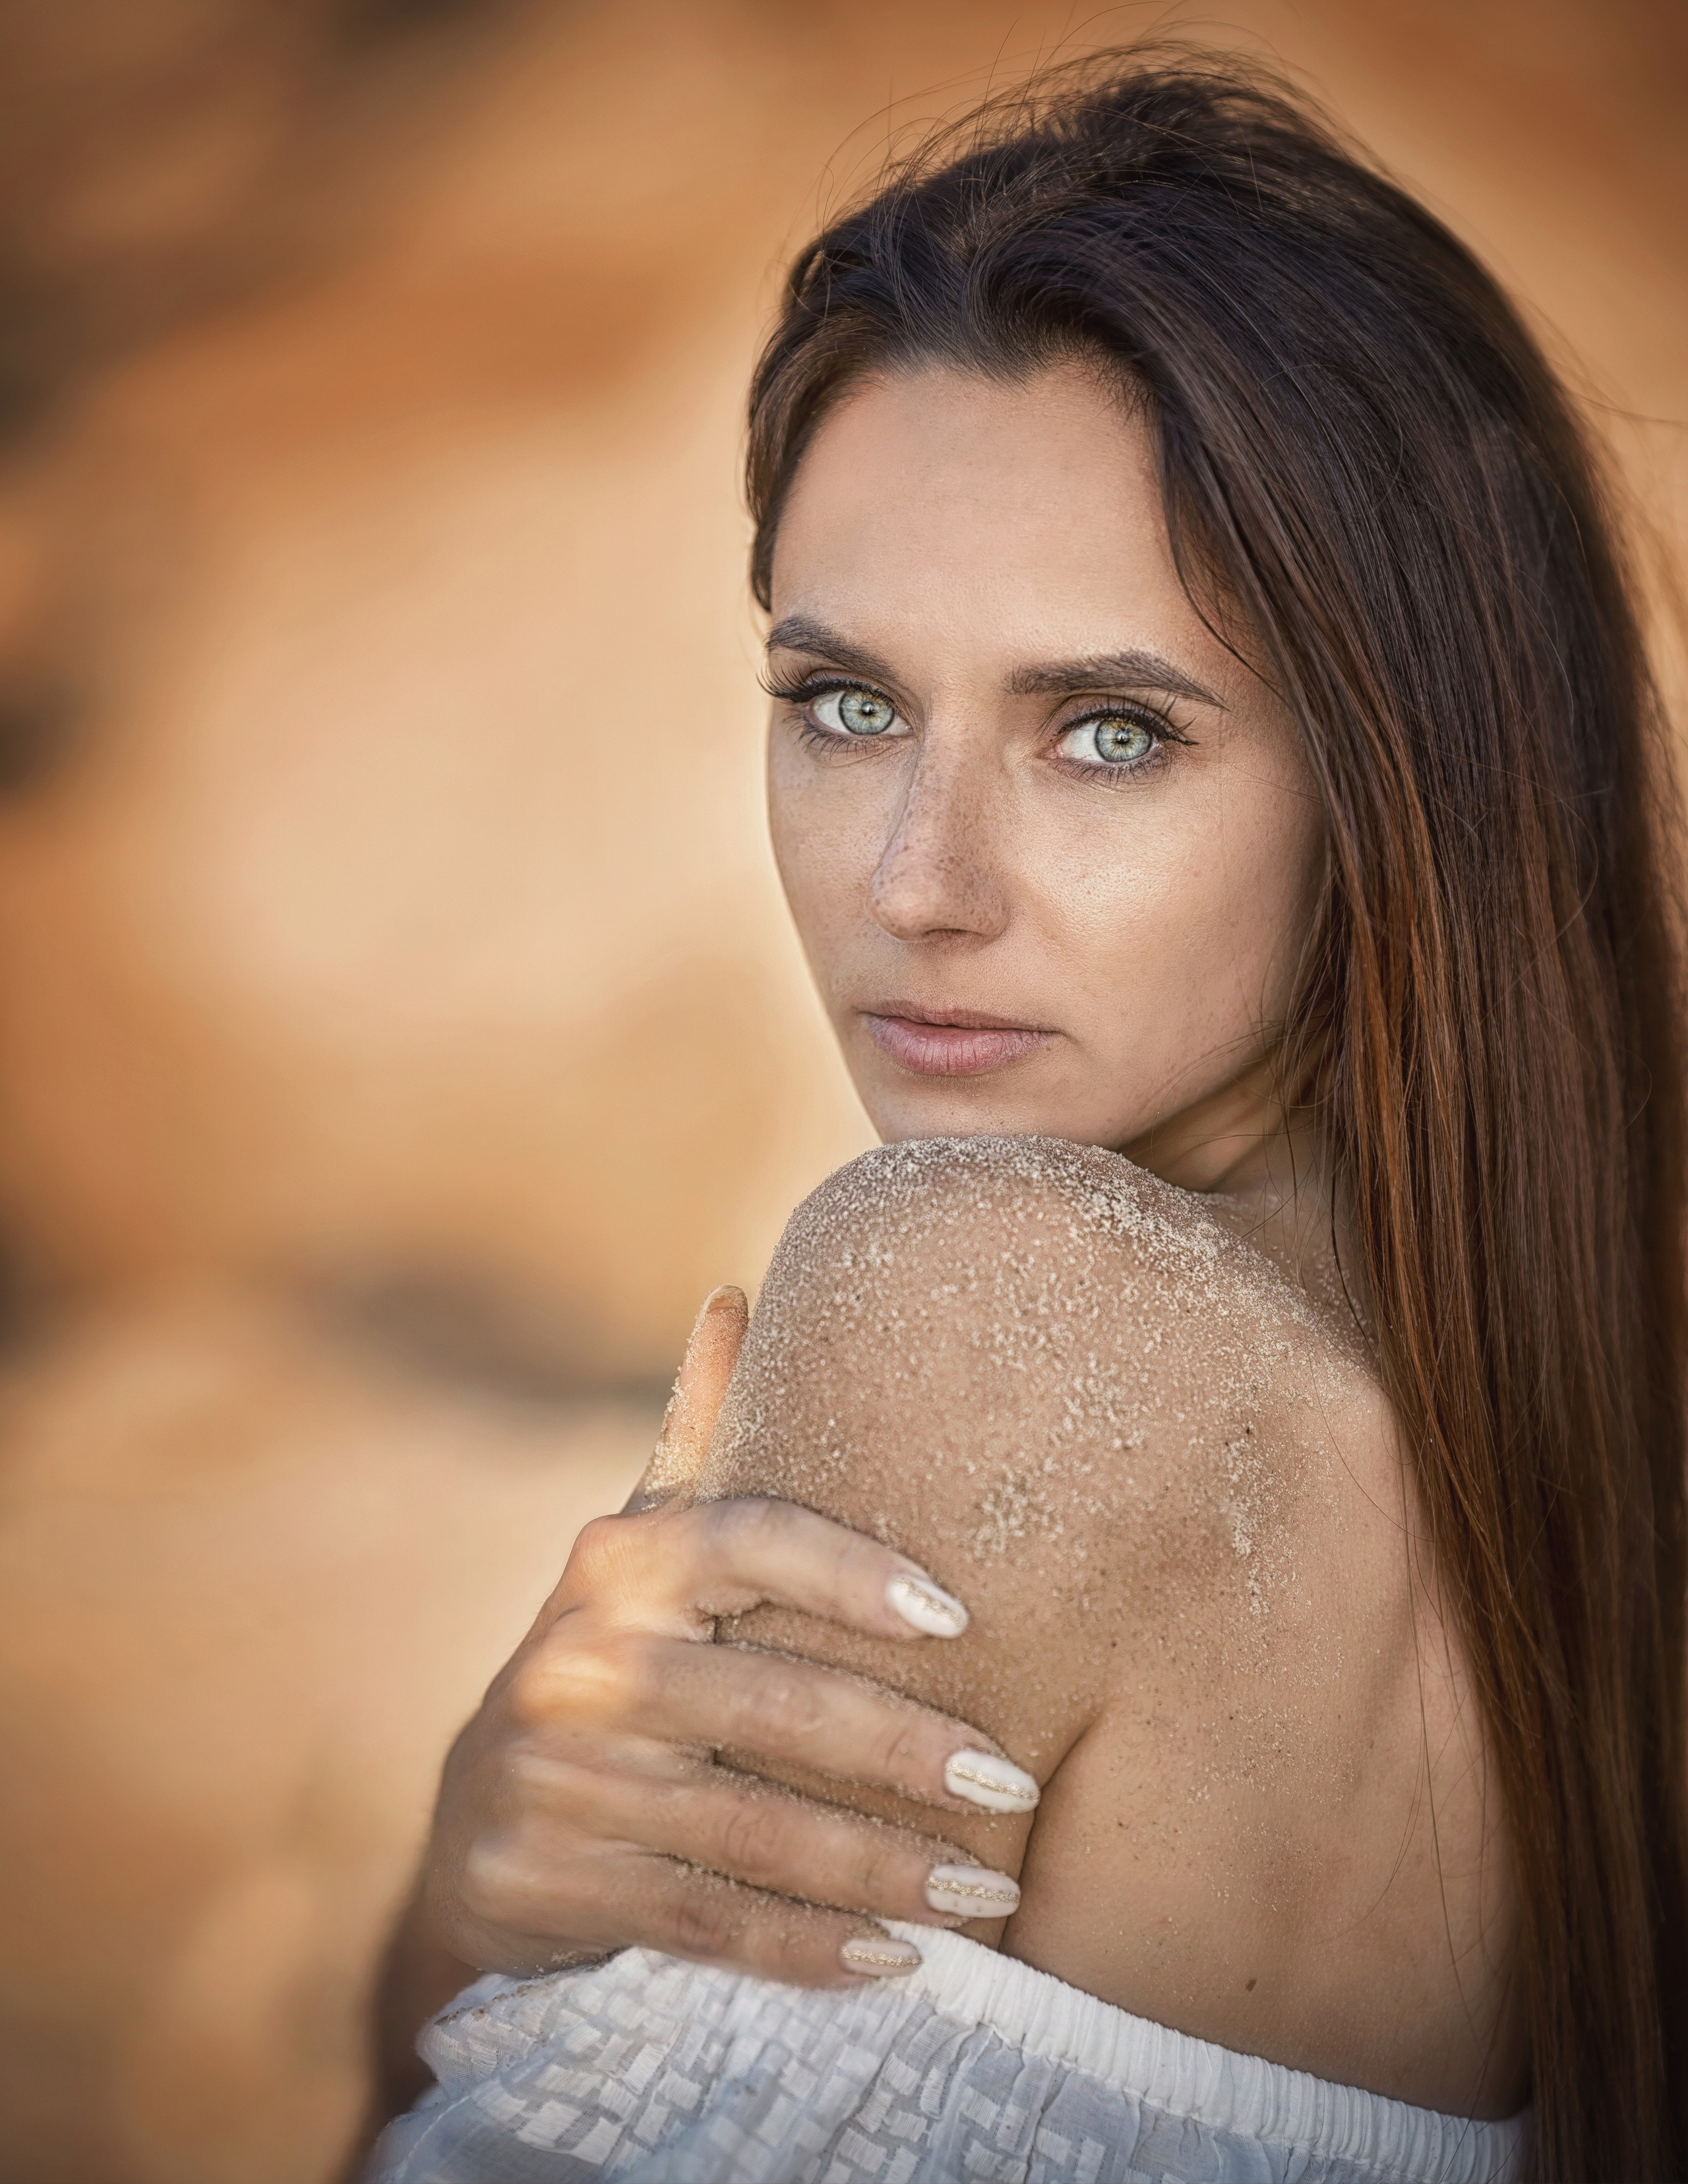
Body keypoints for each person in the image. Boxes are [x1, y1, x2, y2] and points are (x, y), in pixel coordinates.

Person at [363, 51, 1687, 2184]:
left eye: (1108, 731)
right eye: (847, 703)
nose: (916, 879)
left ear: (1401, 779)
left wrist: (449, 1937)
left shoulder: (985, 1298)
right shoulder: (1577, 1452)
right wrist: (470, 1895)